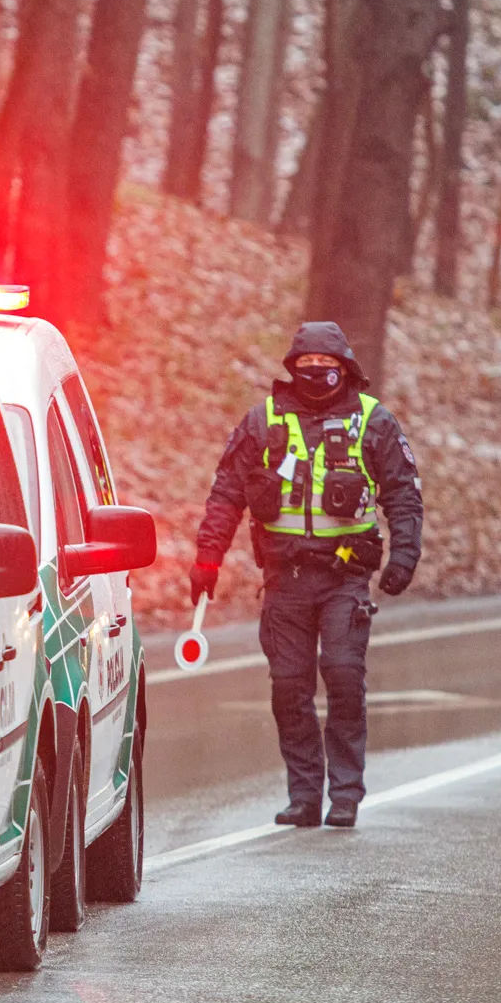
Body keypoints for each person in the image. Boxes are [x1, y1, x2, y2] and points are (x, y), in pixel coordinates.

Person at [190, 322, 423, 828]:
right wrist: (208, 558)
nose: (317, 376)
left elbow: (402, 493)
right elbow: (227, 492)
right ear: (291, 369)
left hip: (344, 578)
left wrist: (404, 556)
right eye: (307, 368)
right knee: (288, 687)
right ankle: (304, 797)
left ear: (346, 369)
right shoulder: (262, 421)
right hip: (284, 579)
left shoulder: (372, 422)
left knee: (342, 675)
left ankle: (344, 794)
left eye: (328, 369)